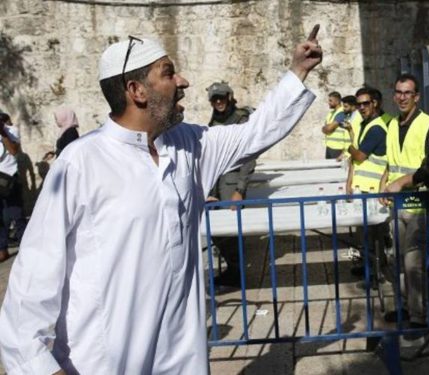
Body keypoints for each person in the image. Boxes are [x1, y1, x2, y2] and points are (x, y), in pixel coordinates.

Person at [0, 31, 321, 374]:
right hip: (102, 361)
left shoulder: (189, 145)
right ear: (136, 91)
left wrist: (297, 70)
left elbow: (256, 131)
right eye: (168, 73)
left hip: (182, 357)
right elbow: (32, 281)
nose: (183, 81)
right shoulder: (80, 163)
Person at [380, 73, 429, 331]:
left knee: (413, 263)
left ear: (416, 96)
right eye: (398, 92)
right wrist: (384, 185)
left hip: (418, 203)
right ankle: (403, 307)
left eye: (408, 93)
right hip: (396, 203)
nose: (402, 97)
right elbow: (389, 162)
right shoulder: (392, 125)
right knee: (395, 259)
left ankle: (419, 315)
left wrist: (403, 182)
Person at [204, 81, 257, 287]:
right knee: (218, 231)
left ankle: (237, 273)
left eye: (222, 97)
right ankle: (232, 269)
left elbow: (249, 156)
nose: (218, 102)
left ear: (229, 97)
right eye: (214, 99)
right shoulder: (215, 120)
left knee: (230, 231)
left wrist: (239, 190)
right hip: (216, 183)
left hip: (231, 184)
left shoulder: (240, 119)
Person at [344, 87, 388, 283]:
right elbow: (357, 160)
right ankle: (370, 268)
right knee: (367, 235)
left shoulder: (377, 127)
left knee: (373, 235)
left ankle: (375, 273)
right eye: (358, 104)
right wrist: (350, 182)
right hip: (363, 188)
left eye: (365, 103)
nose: (361, 107)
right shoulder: (365, 125)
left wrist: (350, 147)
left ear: (375, 103)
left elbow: (360, 155)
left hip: (372, 190)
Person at [0, 112, 20, 264]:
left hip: (8, 177)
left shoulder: (11, 131)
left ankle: (27, 244)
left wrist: (3, 133)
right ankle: (2, 250)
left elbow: (13, 151)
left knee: (16, 213)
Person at [321, 91, 348, 159]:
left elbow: (328, 129)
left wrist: (326, 128)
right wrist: (326, 128)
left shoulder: (341, 113)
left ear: (337, 101)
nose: (328, 102)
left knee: (336, 169)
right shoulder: (331, 113)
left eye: (330, 101)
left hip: (338, 148)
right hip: (330, 146)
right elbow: (326, 128)